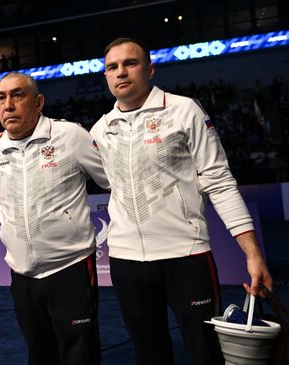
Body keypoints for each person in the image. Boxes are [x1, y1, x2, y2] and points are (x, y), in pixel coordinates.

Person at [90, 37, 274, 365]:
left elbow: (219, 183)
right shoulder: (100, 130)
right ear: (105, 76)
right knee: (149, 354)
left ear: (150, 69)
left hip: (185, 256)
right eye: (112, 67)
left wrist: (253, 253)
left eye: (130, 63)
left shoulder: (184, 110)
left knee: (205, 352)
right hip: (125, 261)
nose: (121, 72)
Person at [0, 72, 109, 365]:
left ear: (38, 102)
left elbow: (111, 180)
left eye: (17, 95)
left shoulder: (70, 136)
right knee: (40, 356)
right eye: (1, 98)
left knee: (80, 356)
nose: (8, 105)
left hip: (70, 269)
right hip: (23, 276)